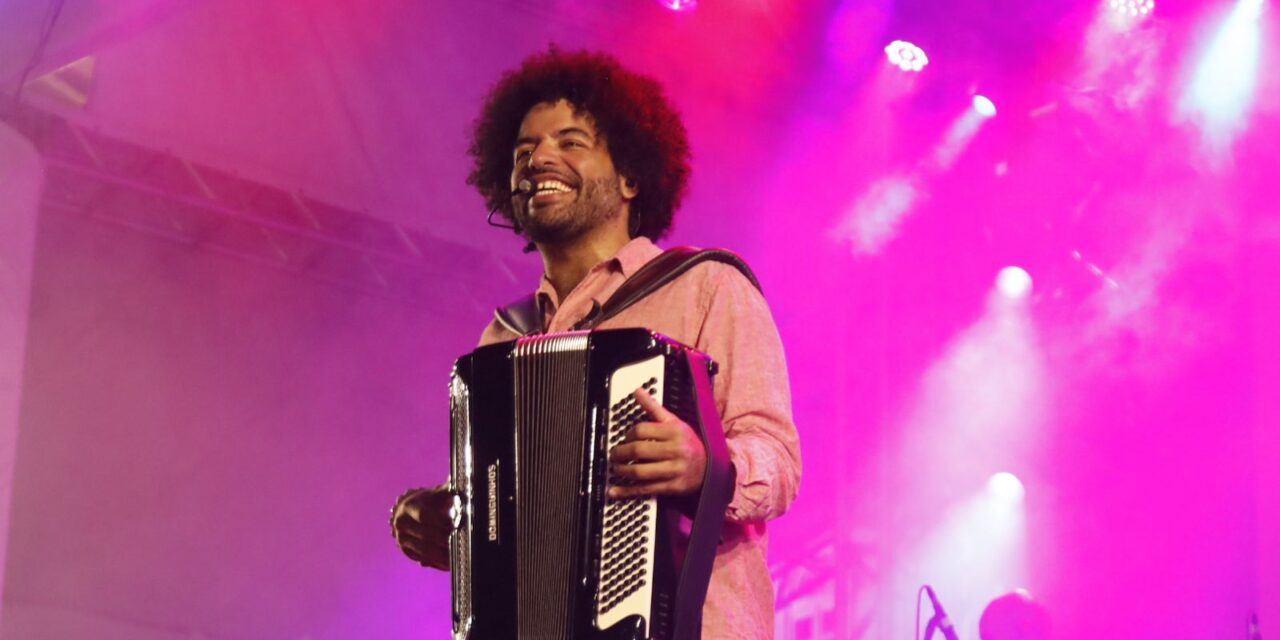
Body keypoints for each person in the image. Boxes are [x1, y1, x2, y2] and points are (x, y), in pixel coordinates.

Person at [391, 47, 802, 639]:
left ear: (631, 177)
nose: (539, 160)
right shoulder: (504, 338)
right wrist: (444, 518)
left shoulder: (708, 286)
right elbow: (502, 513)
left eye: (570, 142)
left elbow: (779, 461)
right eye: (523, 151)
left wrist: (704, 462)